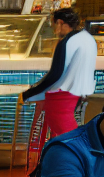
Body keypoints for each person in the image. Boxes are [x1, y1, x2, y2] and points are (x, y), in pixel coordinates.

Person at [22, 8, 97, 139]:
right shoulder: (84, 38)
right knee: (64, 133)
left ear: (60, 23)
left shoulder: (67, 42)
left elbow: (56, 74)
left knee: (66, 134)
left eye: (54, 24)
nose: (54, 28)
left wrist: (30, 92)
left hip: (63, 95)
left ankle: (73, 155)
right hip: (77, 93)